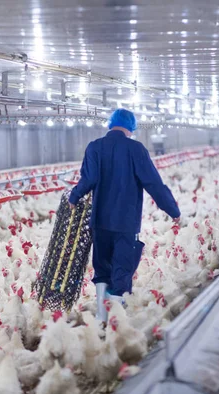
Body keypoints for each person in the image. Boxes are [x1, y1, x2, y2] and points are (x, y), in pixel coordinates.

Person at [69, 109, 180, 324]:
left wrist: (74, 197)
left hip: (99, 221)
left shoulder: (94, 147)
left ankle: (101, 318)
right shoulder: (136, 149)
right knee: (121, 268)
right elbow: (153, 183)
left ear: (110, 124)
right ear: (131, 128)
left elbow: (88, 179)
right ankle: (116, 322)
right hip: (125, 222)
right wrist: (172, 210)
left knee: (101, 267)